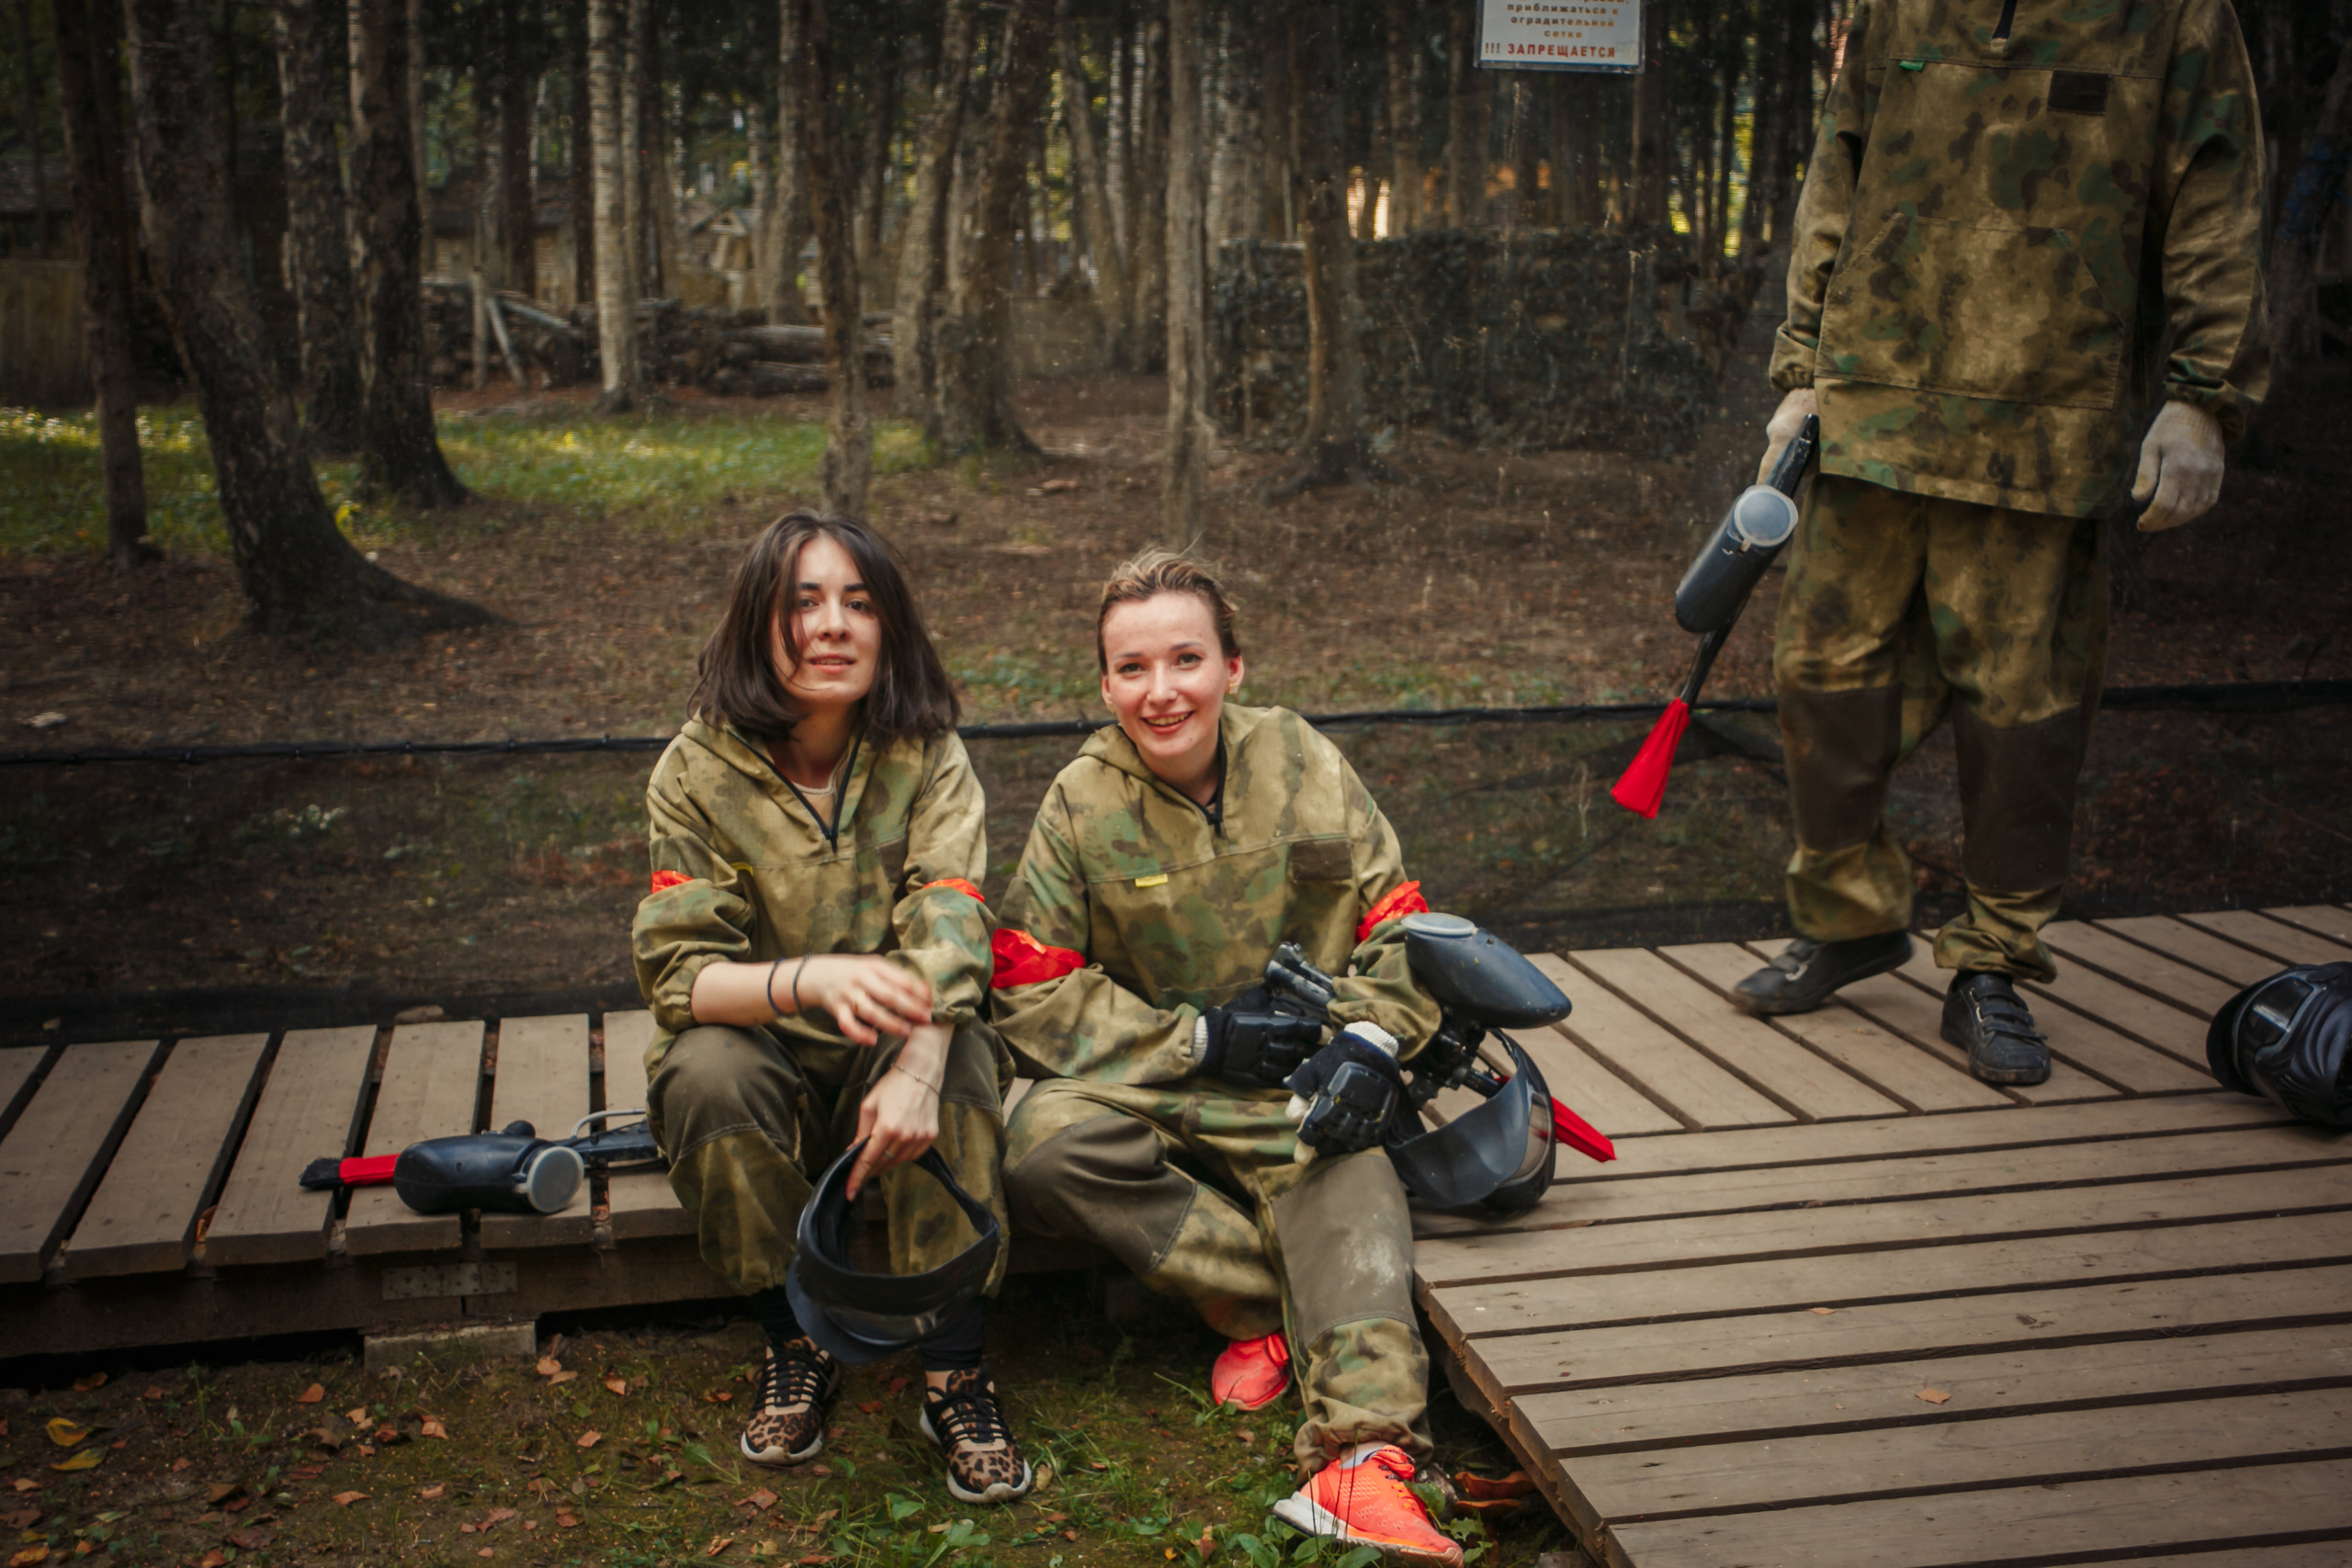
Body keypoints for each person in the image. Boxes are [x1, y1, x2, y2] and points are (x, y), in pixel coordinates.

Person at [1732, 0, 2270, 1084]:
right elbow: (1838, 170)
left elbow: (2216, 195)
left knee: (2022, 705)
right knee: (1819, 674)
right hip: (1872, 397)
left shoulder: (2174, 15)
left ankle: (1992, 961)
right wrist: (1800, 371)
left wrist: (2204, 396)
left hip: (2045, 411)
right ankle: (1849, 918)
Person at [989, 551, 1463, 1566]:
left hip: (1298, 1089)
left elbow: (1401, 923)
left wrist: (1374, 1043)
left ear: (1234, 667)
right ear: (1105, 683)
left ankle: (1366, 1461)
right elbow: (1028, 982)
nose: (1160, 693)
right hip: (1157, 1081)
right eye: (1131, 669)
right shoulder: (1080, 800)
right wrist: (1195, 1036)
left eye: (1186, 659)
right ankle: (1256, 1302)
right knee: (1037, 1143)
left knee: (1352, 1172)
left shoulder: (1303, 759)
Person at [630, 511, 1031, 1505]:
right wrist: (808, 978)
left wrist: (917, 1070)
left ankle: (956, 1365)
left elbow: (952, 932)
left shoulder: (926, 754)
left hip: (890, 1050)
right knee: (703, 1071)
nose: (831, 625)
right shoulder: (695, 768)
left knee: (968, 1052)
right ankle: (793, 1338)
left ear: (889, 627)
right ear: (757, 624)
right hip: (762, 1050)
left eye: (858, 602)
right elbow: (683, 977)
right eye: (802, 601)